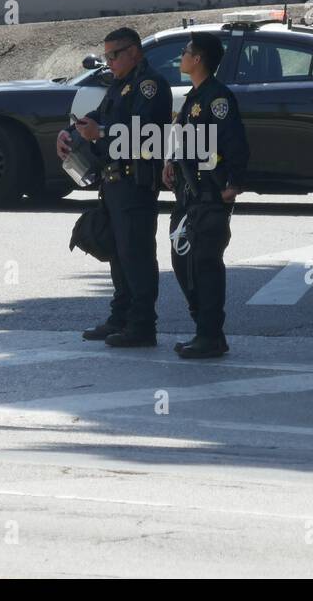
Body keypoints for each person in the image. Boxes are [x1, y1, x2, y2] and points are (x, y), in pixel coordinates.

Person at [57, 27, 172, 348]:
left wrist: (103, 133)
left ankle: (142, 326)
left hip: (135, 182)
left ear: (134, 51)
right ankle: (120, 317)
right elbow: (96, 117)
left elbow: (147, 133)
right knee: (118, 255)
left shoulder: (149, 86)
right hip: (112, 182)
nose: (109, 62)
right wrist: (70, 133)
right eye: (105, 56)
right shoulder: (120, 86)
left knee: (136, 255)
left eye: (114, 55)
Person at [163, 32, 249, 358]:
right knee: (181, 259)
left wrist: (234, 183)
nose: (181, 57)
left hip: (210, 194)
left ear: (197, 59)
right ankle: (204, 327)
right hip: (188, 194)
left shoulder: (217, 98)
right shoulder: (193, 97)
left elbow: (235, 144)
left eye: (185, 52)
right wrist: (170, 161)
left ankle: (210, 335)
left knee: (205, 264)